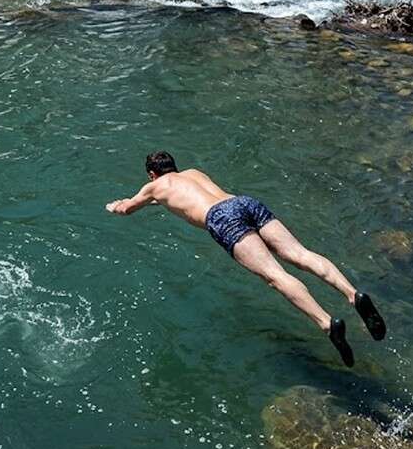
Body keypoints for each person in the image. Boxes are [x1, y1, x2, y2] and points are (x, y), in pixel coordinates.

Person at [105, 151, 386, 367]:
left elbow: (129, 208)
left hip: (222, 219)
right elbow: (174, 198)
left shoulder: (154, 186)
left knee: (276, 276)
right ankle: (352, 294)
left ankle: (326, 323)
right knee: (299, 254)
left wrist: (115, 206)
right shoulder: (193, 173)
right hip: (242, 202)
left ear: (152, 174)